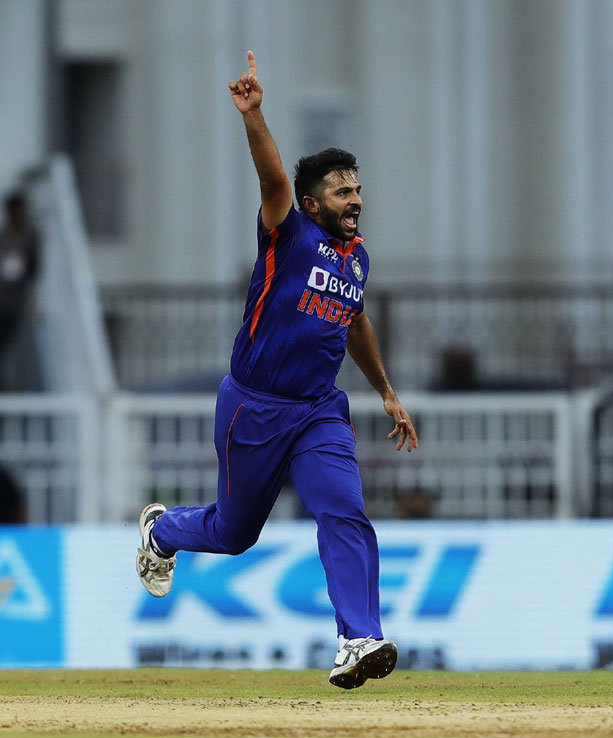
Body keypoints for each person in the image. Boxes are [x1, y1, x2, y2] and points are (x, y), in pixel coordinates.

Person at [134, 51, 419, 689]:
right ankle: (165, 528)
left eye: (358, 189)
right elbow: (272, 182)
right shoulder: (288, 234)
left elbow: (355, 320)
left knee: (343, 509)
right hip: (254, 405)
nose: (356, 201)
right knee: (235, 534)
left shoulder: (357, 257)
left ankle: (358, 638)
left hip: (319, 409)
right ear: (314, 204)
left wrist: (387, 392)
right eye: (343, 192)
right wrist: (255, 116)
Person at [0, 193, 40, 387]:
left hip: (14, 304)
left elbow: (34, 271)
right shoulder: (3, 237)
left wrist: (32, 303)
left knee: (8, 347)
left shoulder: (30, 238)